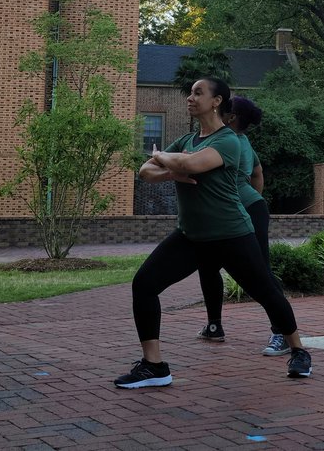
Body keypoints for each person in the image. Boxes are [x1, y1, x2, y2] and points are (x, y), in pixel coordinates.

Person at [113, 76, 312, 388]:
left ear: (217, 101)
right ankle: (154, 366)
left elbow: (191, 164)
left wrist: (165, 158)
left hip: (232, 234)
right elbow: (145, 170)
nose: (190, 98)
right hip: (191, 236)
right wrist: (171, 171)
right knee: (144, 284)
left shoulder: (227, 141)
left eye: (198, 93)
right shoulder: (187, 140)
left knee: (265, 290)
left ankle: (298, 350)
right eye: (190, 93)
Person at [195, 95, 290, 356]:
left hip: (246, 211)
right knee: (208, 265)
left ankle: (282, 332)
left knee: (261, 273)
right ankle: (214, 326)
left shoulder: (229, 141)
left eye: (224, 107)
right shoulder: (240, 140)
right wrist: (254, 195)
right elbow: (257, 172)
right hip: (236, 210)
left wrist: (249, 200)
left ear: (232, 116)